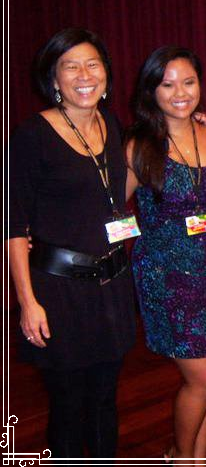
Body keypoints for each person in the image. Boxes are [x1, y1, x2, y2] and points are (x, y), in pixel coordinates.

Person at [7, 28, 137, 458]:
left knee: (105, 400)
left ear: (106, 74)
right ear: (54, 79)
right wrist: (27, 302)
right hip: (59, 291)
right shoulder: (32, 136)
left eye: (92, 64)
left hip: (111, 286)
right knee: (68, 406)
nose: (84, 76)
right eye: (71, 67)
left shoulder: (111, 125)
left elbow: (118, 188)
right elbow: (13, 227)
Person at [125, 46, 206, 461]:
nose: (180, 92)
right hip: (166, 276)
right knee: (205, 377)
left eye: (189, 82)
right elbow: (113, 208)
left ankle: (197, 458)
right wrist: (140, 238)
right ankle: (178, 454)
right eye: (168, 84)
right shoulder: (140, 145)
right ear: (151, 90)